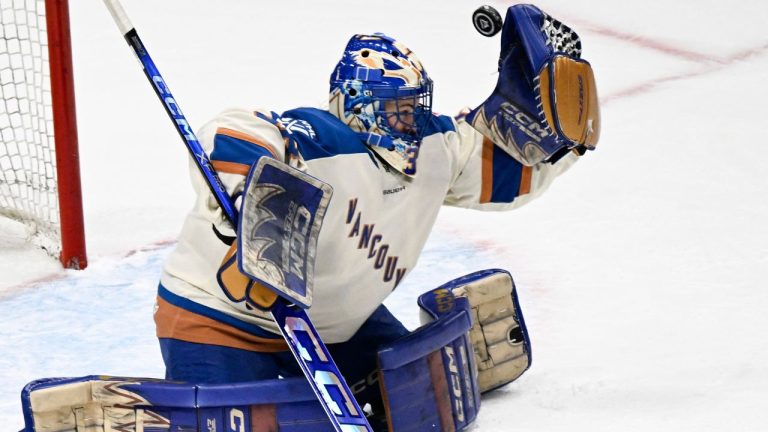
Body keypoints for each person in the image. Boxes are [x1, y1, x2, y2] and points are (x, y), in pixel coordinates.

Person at [154, 5, 599, 428]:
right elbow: (235, 128)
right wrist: (251, 193)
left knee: (419, 401)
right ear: (354, 104)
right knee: (238, 418)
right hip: (218, 319)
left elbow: (511, 173)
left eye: (413, 107)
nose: (408, 121)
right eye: (395, 108)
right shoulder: (322, 141)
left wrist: (560, 141)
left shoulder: (434, 149)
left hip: (333, 327)